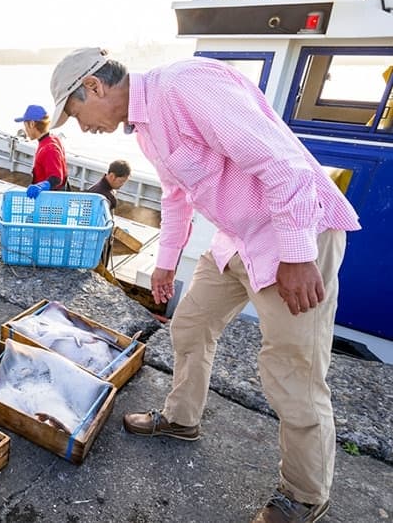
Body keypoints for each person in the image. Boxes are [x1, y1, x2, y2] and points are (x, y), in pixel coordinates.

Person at [49, 47, 360, 522]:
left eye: (74, 112)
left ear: (94, 87)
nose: (80, 126)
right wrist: (166, 262)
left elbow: (283, 165)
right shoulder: (147, 127)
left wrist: (298, 256)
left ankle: (305, 494)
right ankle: (182, 419)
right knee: (190, 325)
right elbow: (176, 198)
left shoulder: (185, 85)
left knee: (293, 369)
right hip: (236, 238)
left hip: (293, 235)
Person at [14, 104, 69, 198]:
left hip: (52, 203)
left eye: (25, 125)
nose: (25, 130)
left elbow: (56, 178)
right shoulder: (53, 138)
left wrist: (41, 186)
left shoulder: (49, 149)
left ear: (32, 123)